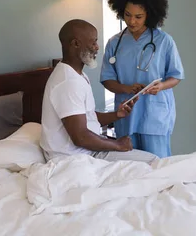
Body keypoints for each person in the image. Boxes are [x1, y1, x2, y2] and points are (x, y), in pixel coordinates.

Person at [40, 19, 157, 164]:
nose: (97, 47)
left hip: (87, 151)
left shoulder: (77, 75)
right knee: (152, 162)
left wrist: (117, 115)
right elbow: (80, 137)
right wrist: (118, 145)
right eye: (93, 42)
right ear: (76, 44)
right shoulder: (68, 83)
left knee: (153, 163)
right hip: (75, 158)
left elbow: (87, 117)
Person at [100, 0, 184, 158]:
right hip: (127, 114)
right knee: (130, 166)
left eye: (139, 17)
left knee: (157, 165)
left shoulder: (163, 41)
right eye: (127, 15)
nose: (132, 21)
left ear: (151, 14)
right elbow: (107, 79)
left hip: (155, 113)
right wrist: (126, 88)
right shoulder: (114, 43)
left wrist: (161, 86)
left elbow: (176, 76)